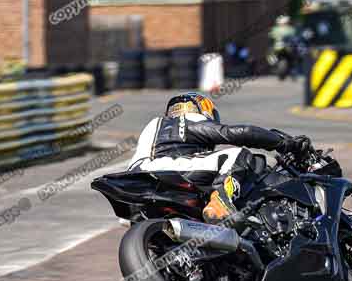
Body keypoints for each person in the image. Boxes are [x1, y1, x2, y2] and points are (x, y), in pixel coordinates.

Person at [128, 92, 311, 223]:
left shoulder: (155, 126)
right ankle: (221, 201)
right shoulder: (186, 120)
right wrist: (284, 143)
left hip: (136, 184)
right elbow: (240, 133)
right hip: (163, 168)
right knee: (237, 154)